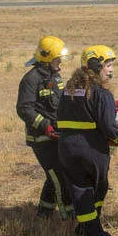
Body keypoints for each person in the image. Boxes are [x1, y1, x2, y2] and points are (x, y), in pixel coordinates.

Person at [57, 45, 118, 236]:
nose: (111, 70)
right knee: (95, 189)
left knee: (79, 189)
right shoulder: (102, 94)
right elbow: (109, 126)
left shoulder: (68, 90)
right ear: (95, 65)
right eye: (108, 65)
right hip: (91, 149)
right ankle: (95, 235)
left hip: (66, 148)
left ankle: (86, 226)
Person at [15, 35, 74, 219]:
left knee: (54, 175)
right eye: (57, 59)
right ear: (47, 59)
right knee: (59, 176)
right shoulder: (30, 79)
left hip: (56, 135)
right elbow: (24, 109)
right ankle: (70, 216)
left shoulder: (55, 76)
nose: (60, 62)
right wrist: (46, 126)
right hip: (40, 138)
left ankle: (44, 212)